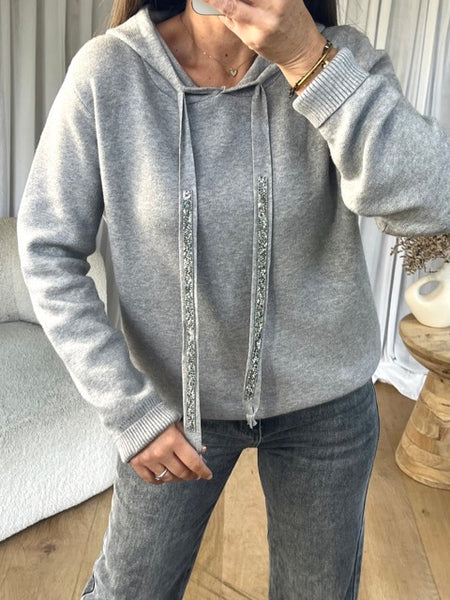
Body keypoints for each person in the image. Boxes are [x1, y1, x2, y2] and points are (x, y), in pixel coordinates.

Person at [17, 0, 450, 598]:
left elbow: (432, 204)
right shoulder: (110, 73)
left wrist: (307, 60)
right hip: (170, 408)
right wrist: (129, 410)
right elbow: (47, 250)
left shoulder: (340, 55)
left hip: (328, 408)